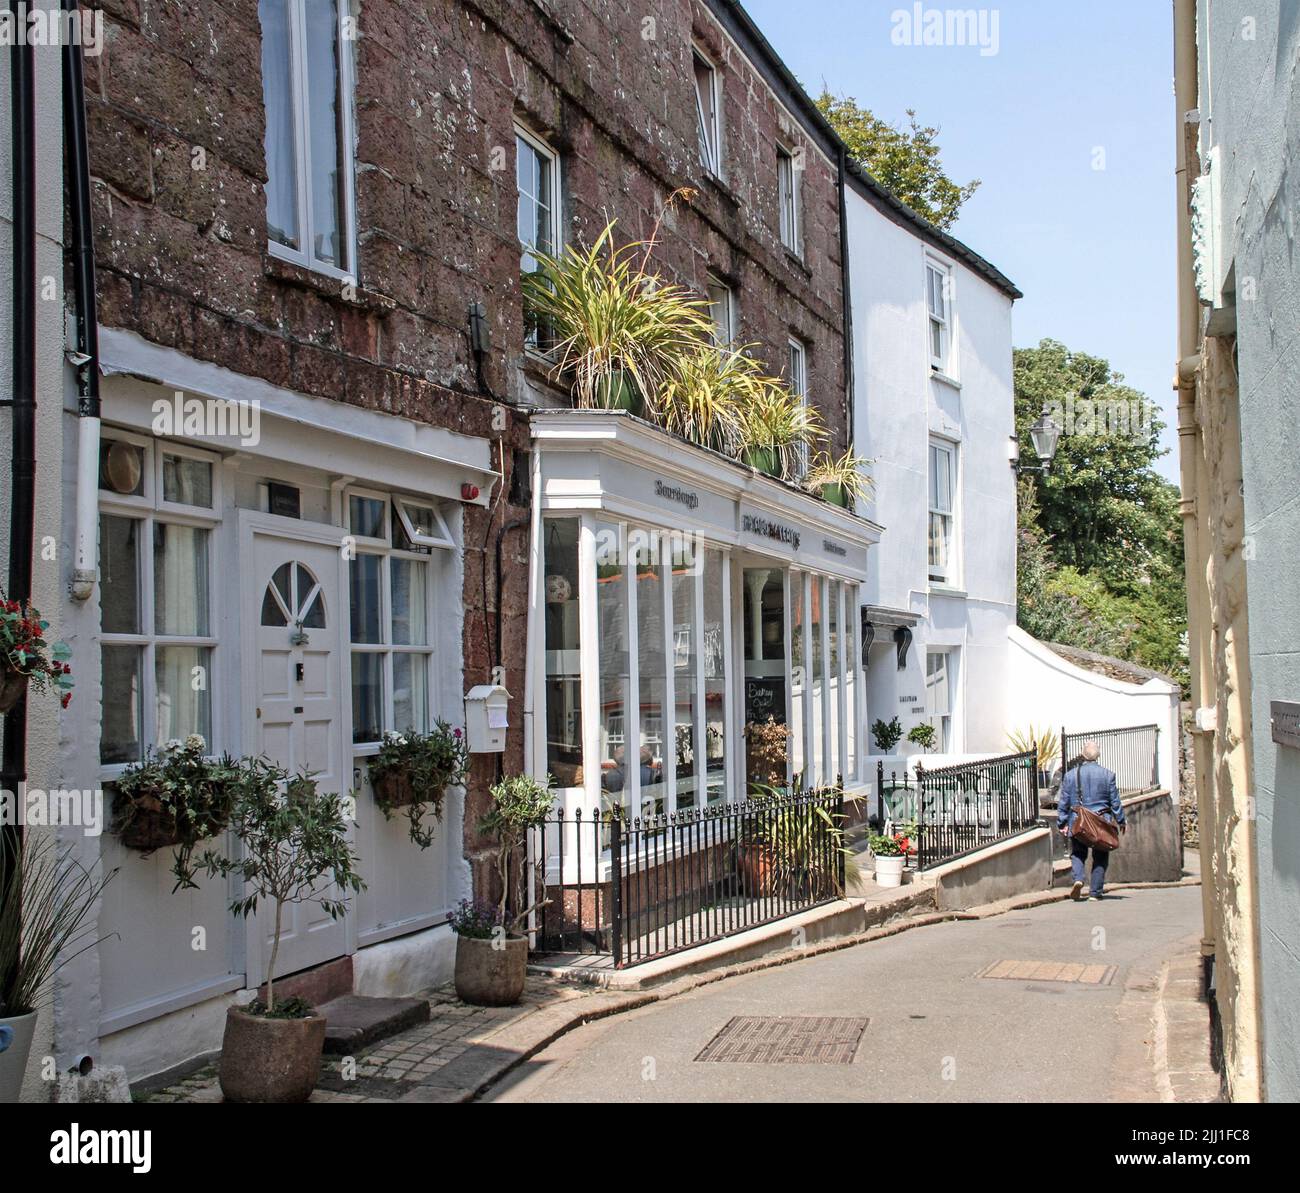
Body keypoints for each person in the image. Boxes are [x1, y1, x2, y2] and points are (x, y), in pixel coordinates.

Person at [1057, 740, 1126, 901]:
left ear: (1082, 754)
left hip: (1078, 821)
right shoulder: (1108, 775)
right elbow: (1114, 801)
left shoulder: (1070, 775)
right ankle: (1095, 892)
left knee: (1078, 853)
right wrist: (1121, 820)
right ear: (1098, 755)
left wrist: (1062, 822)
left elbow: (1064, 801)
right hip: (1101, 821)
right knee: (1101, 855)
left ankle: (1078, 879)